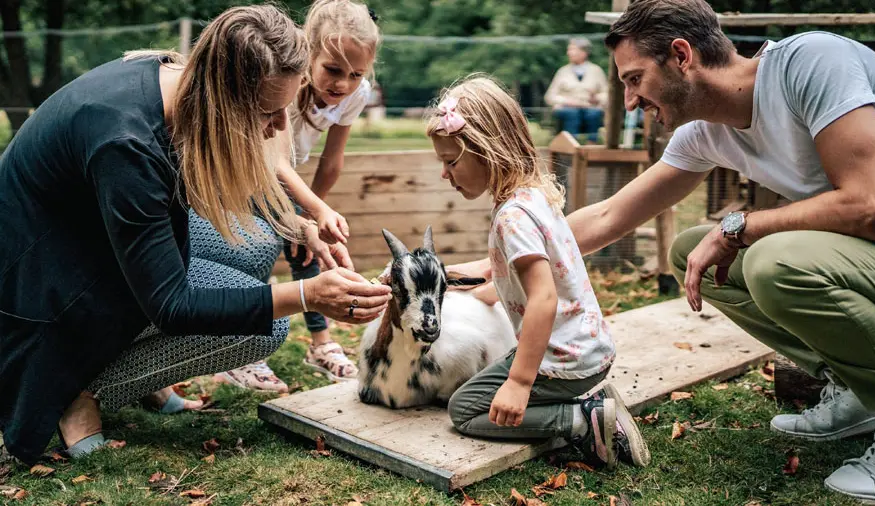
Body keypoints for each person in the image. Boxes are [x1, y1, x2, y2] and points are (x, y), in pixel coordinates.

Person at [454, 0, 875, 500]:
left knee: (775, 263)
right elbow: (608, 217)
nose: (628, 100)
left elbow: (874, 207)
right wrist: (483, 267)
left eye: (634, 79)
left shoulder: (811, 63)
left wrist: (739, 226)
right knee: (693, 252)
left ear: (682, 55)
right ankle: (860, 390)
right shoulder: (707, 132)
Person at [0, 4, 392, 465]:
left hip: (89, 246)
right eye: (269, 111)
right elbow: (172, 306)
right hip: (44, 289)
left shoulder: (173, 80)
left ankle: (120, 371)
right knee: (264, 328)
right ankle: (76, 391)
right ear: (223, 100)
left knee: (257, 244)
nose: (281, 126)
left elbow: (216, 188)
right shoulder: (124, 145)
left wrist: (300, 226)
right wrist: (307, 294)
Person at [427, 75, 650, 470]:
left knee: (465, 409)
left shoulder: (512, 217)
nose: (445, 174)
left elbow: (544, 299)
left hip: (564, 359)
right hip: (587, 347)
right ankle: (586, 408)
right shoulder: (530, 194)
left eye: (451, 161)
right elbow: (519, 279)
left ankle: (584, 421)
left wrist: (519, 383)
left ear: (486, 150)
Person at [197, 0, 381, 390]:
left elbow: (332, 162)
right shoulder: (284, 79)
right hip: (245, 171)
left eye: (355, 74)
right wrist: (313, 209)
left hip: (284, 180)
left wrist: (312, 218)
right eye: (333, 70)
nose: (342, 84)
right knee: (256, 249)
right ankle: (241, 351)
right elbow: (275, 162)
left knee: (306, 248)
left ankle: (321, 343)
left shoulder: (355, 94)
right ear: (308, 53)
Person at [544, 37, 609, 143]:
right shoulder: (563, 71)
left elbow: (607, 94)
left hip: (590, 107)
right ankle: (570, 148)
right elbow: (550, 96)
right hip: (568, 109)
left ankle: (591, 147)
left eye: (572, 49)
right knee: (572, 115)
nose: (568, 53)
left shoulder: (596, 71)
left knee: (594, 114)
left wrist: (596, 98)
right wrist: (568, 101)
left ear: (584, 53)